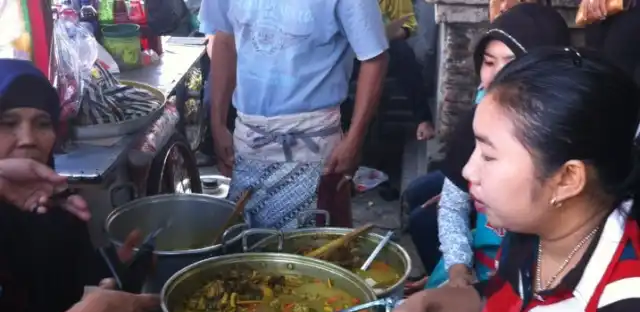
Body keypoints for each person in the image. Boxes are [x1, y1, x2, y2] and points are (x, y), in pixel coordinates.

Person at [371, 47, 640, 312]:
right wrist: (428, 304)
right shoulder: (531, 228)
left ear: (568, 178)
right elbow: (503, 303)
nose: (468, 170)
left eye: (489, 155)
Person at [0, 58, 161, 312]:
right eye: (7, 123)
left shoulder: (57, 210)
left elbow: (68, 292)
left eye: (42, 124)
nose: (27, 139)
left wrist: (114, 270)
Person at [404, 4, 570, 292]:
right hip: (482, 266)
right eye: (489, 62)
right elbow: (453, 205)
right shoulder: (480, 117)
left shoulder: (570, 138)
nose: (494, 77)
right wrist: (458, 270)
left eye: (512, 63)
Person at [199, 0, 389, 229]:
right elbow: (224, 39)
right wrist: (218, 123)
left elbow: (374, 59)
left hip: (313, 145)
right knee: (247, 248)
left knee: (311, 253)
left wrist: (355, 139)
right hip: (248, 139)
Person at [379, 0, 436, 141]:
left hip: (382, 45)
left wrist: (387, 36)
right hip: (347, 47)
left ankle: (423, 120)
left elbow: (408, 26)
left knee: (403, 53)